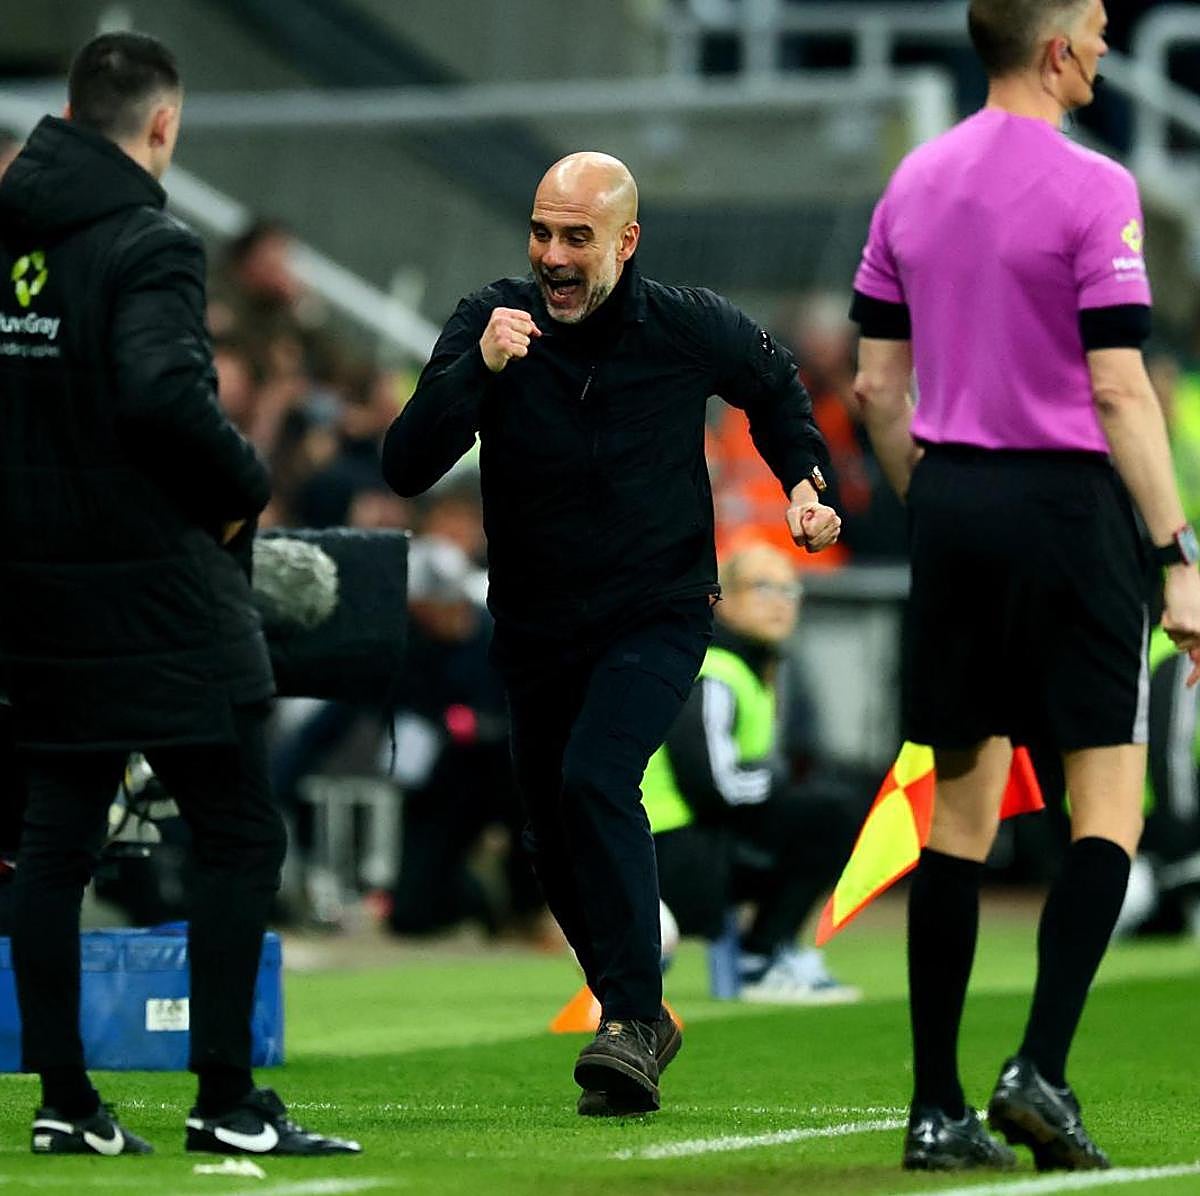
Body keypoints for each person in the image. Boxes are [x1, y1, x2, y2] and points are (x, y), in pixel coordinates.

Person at [383, 151, 841, 1116]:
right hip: (536, 623)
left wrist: (803, 480)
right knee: (549, 834)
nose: (553, 255)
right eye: (542, 232)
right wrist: (479, 370)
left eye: (577, 238)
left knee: (597, 778)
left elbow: (773, 385)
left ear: (626, 244)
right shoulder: (490, 322)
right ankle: (641, 1018)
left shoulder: (686, 323)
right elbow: (405, 464)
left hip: (658, 610)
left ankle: (630, 1016)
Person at [851, 0, 1200, 1173]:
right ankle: (1039, 1069)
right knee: (1109, 808)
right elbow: (1116, 388)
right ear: (1057, 48)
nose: (1107, 47)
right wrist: (1178, 553)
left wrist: (942, 507)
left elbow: (874, 388)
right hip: (1069, 510)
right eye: (1098, 27)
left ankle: (935, 1107)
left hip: (951, 505)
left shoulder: (912, 181)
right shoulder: (1096, 187)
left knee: (957, 812)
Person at [0, 33, 357, 1156]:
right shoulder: (150, 241)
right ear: (162, 127)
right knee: (241, 829)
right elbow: (162, 394)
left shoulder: (10, 238)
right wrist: (248, 485)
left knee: (54, 841)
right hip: (160, 591)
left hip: (40, 598)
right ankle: (226, 1097)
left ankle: (66, 1102)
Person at [644, 542, 864, 1002]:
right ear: (720, 600)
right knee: (831, 811)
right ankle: (760, 958)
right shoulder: (714, 668)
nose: (781, 601)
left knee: (828, 802)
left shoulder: (753, 665)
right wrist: (779, 781)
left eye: (790, 589)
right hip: (664, 856)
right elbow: (711, 786)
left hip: (695, 842)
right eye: (763, 587)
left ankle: (765, 954)